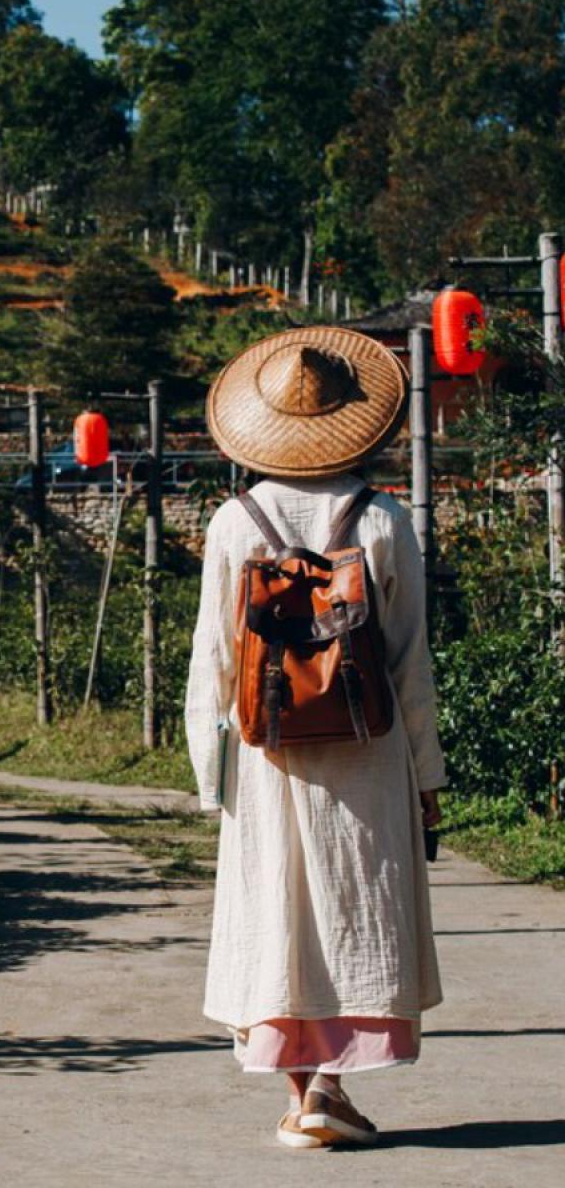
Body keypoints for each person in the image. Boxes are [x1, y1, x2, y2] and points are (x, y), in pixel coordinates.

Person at [185, 326, 445, 1149]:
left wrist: (210, 775)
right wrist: (427, 772)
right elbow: (408, 659)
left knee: (276, 909)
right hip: (366, 747)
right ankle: (328, 1088)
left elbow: (215, 661)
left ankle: (303, 1095)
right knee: (353, 902)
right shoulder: (384, 519)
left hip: (266, 752)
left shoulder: (235, 521)